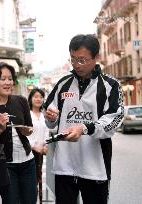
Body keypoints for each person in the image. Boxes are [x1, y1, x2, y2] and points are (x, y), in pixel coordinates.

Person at [44, 34, 124, 204]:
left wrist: (84, 128)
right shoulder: (62, 84)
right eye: (73, 59)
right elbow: (51, 118)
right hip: (64, 165)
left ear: (96, 58)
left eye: (82, 60)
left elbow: (113, 121)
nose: (76, 65)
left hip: (95, 168)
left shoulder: (110, 86)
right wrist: (51, 118)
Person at [0, 62, 37, 204]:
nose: (8, 83)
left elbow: (30, 128)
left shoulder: (21, 101)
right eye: (3, 79)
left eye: (10, 79)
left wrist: (26, 130)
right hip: (5, 165)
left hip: (28, 162)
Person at [28, 88, 49, 204]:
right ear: (30, 99)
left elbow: (46, 132)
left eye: (41, 97)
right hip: (29, 152)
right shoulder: (27, 114)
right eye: (35, 96)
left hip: (40, 153)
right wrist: (34, 147)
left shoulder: (44, 115)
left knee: (38, 180)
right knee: (31, 183)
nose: (38, 99)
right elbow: (23, 135)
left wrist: (45, 146)